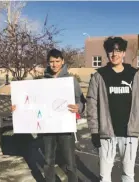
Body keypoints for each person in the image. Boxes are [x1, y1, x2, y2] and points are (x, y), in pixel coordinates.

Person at [86, 36, 139, 182]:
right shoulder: (99, 76)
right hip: (107, 133)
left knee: (128, 174)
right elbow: (92, 105)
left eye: (118, 51)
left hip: (129, 133)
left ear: (124, 53)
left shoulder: (134, 75)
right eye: (111, 51)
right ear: (107, 54)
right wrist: (94, 131)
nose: (114, 54)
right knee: (104, 175)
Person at [42, 48, 85, 182]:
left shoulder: (71, 80)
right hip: (48, 126)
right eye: (51, 62)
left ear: (63, 61)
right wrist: (18, 108)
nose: (54, 64)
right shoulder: (42, 81)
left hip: (65, 127)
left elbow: (81, 101)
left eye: (57, 61)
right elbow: (35, 102)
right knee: (48, 161)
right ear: (48, 63)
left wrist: (79, 107)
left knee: (70, 162)